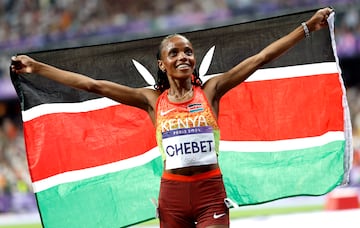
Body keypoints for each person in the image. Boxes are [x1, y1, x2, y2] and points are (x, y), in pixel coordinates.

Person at [11, 7, 333, 228]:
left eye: (188, 51)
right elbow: (93, 85)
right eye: (175, 53)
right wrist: (37, 68)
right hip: (172, 197)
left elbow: (261, 57)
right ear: (162, 64)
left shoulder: (211, 91)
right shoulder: (152, 100)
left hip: (210, 193)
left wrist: (307, 28)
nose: (184, 56)